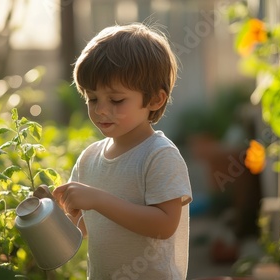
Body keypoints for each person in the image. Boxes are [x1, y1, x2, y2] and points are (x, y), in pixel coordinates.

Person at [52, 22, 193, 279]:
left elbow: (164, 225)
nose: (101, 109)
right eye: (92, 98)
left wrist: (97, 200)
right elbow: (85, 228)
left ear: (154, 100)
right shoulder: (89, 159)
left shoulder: (159, 155)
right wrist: (54, 211)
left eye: (116, 100)